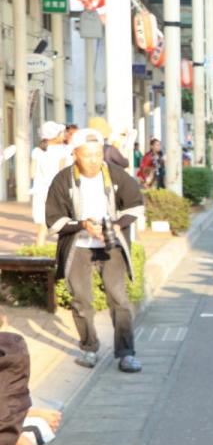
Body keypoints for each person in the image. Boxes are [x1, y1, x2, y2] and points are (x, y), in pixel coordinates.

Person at [44, 129, 144, 373]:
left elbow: (136, 206)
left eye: (98, 154)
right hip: (79, 246)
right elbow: (54, 219)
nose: (93, 160)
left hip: (111, 246)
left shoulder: (116, 175)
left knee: (119, 299)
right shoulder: (62, 180)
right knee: (81, 300)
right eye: (87, 155)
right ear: (75, 154)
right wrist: (83, 225)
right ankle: (89, 348)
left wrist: (114, 226)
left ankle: (126, 353)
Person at [30, 122, 71, 246]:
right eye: (61, 133)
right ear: (55, 135)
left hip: (39, 190)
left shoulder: (37, 151)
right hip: (56, 191)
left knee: (41, 227)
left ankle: (39, 250)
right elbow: (62, 173)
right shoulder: (63, 150)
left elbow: (32, 174)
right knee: (60, 224)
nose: (64, 134)